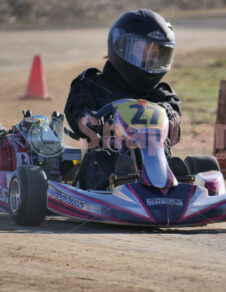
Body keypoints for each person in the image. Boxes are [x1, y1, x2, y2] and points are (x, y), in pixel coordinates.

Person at [64, 9, 182, 190]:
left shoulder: (158, 92)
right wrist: (88, 119)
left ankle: (179, 188)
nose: (148, 60)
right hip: (108, 157)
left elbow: (172, 107)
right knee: (96, 161)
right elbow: (77, 110)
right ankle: (118, 186)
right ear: (120, 47)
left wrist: (168, 114)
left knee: (182, 164)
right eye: (142, 51)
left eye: (155, 55)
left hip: (156, 162)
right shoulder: (91, 83)